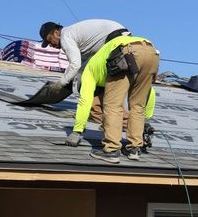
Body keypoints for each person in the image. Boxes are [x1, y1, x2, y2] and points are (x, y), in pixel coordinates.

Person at [63, 33, 159, 164]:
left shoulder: (88, 72)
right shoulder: (99, 63)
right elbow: (150, 92)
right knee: (137, 105)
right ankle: (134, 149)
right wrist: (146, 121)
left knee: (112, 105)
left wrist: (77, 131)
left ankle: (111, 150)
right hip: (151, 52)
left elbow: (84, 101)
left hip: (126, 51)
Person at [39, 19, 130, 89]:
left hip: (115, 39)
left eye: (49, 40)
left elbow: (75, 65)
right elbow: (82, 64)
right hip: (123, 37)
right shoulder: (73, 34)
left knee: (104, 84)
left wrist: (60, 84)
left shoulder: (65, 36)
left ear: (56, 33)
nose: (50, 45)